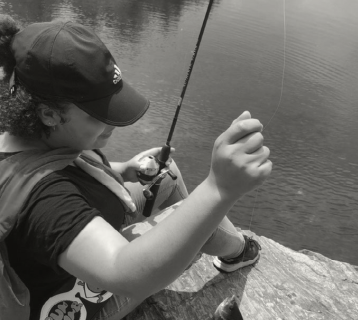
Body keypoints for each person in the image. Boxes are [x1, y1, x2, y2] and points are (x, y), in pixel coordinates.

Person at [0, 15, 272, 320]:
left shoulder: (24, 133)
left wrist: (125, 169)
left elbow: (68, 166)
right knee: (191, 217)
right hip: (73, 304)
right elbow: (124, 270)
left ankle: (230, 248)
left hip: (71, 255)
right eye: (99, 113)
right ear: (48, 114)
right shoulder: (45, 202)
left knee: (166, 173)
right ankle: (239, 250)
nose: (114, 123)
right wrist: (218, 189)